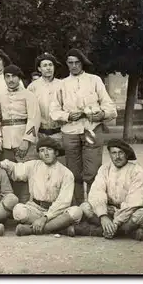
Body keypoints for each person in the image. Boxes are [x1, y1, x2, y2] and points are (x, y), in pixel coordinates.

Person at [50, 48, 117, 205]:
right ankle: (78, 208)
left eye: (77, 62)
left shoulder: (94, 80)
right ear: (67, 64)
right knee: (73, 173)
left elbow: (109, 106)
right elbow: (53, 111)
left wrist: (102, 114)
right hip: (70, 131)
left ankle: (95, 206)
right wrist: (66, 116)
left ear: (82, 63)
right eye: (70, 63)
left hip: (91, 130)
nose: (74, 66)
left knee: (93, 171)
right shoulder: (62, 84)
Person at [0, 137, 82, 237]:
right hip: (36, 209)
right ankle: (60, 228)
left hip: (57, 212)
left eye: (49, 149)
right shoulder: (34, 165)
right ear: (39, 154)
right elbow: (16, 168)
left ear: (56, 153)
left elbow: (63, 202)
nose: (46, 153)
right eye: (42, 150)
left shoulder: (66, 173)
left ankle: (30, 230)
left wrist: (44, 218)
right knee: (18, 210)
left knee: (76, 211)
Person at [76, 139, 143, 241]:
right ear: (110, 154)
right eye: (114, 153)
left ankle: (99, 231)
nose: (117, 157)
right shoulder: (104, 169)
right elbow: (97, 192)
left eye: (121, 153)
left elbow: (134, 202)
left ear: (127, 154)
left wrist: (116, 223)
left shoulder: (137, 171)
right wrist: (103, 216)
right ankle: (126, 232)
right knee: (85, 207)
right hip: (108, 210)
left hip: (127, 212)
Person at [0, 64, 41, 203]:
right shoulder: (1, 96)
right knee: (9, 172)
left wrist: (26, 140)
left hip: (23, 138)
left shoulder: (29, 95)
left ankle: (26, 204)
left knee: (25, 173)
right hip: (7, 140)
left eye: (14, 76)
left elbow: (34, 118)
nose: (10, 80)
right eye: (7, 77)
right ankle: (12, 206)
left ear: (19, 77)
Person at [27, 53, 64, 143]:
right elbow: (29, 111)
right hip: (40, 133)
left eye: (50, 65)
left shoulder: (62, 84)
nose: (48, 68)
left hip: (60, 132)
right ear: (39, 69)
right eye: (45, 65)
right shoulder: (33, 87)